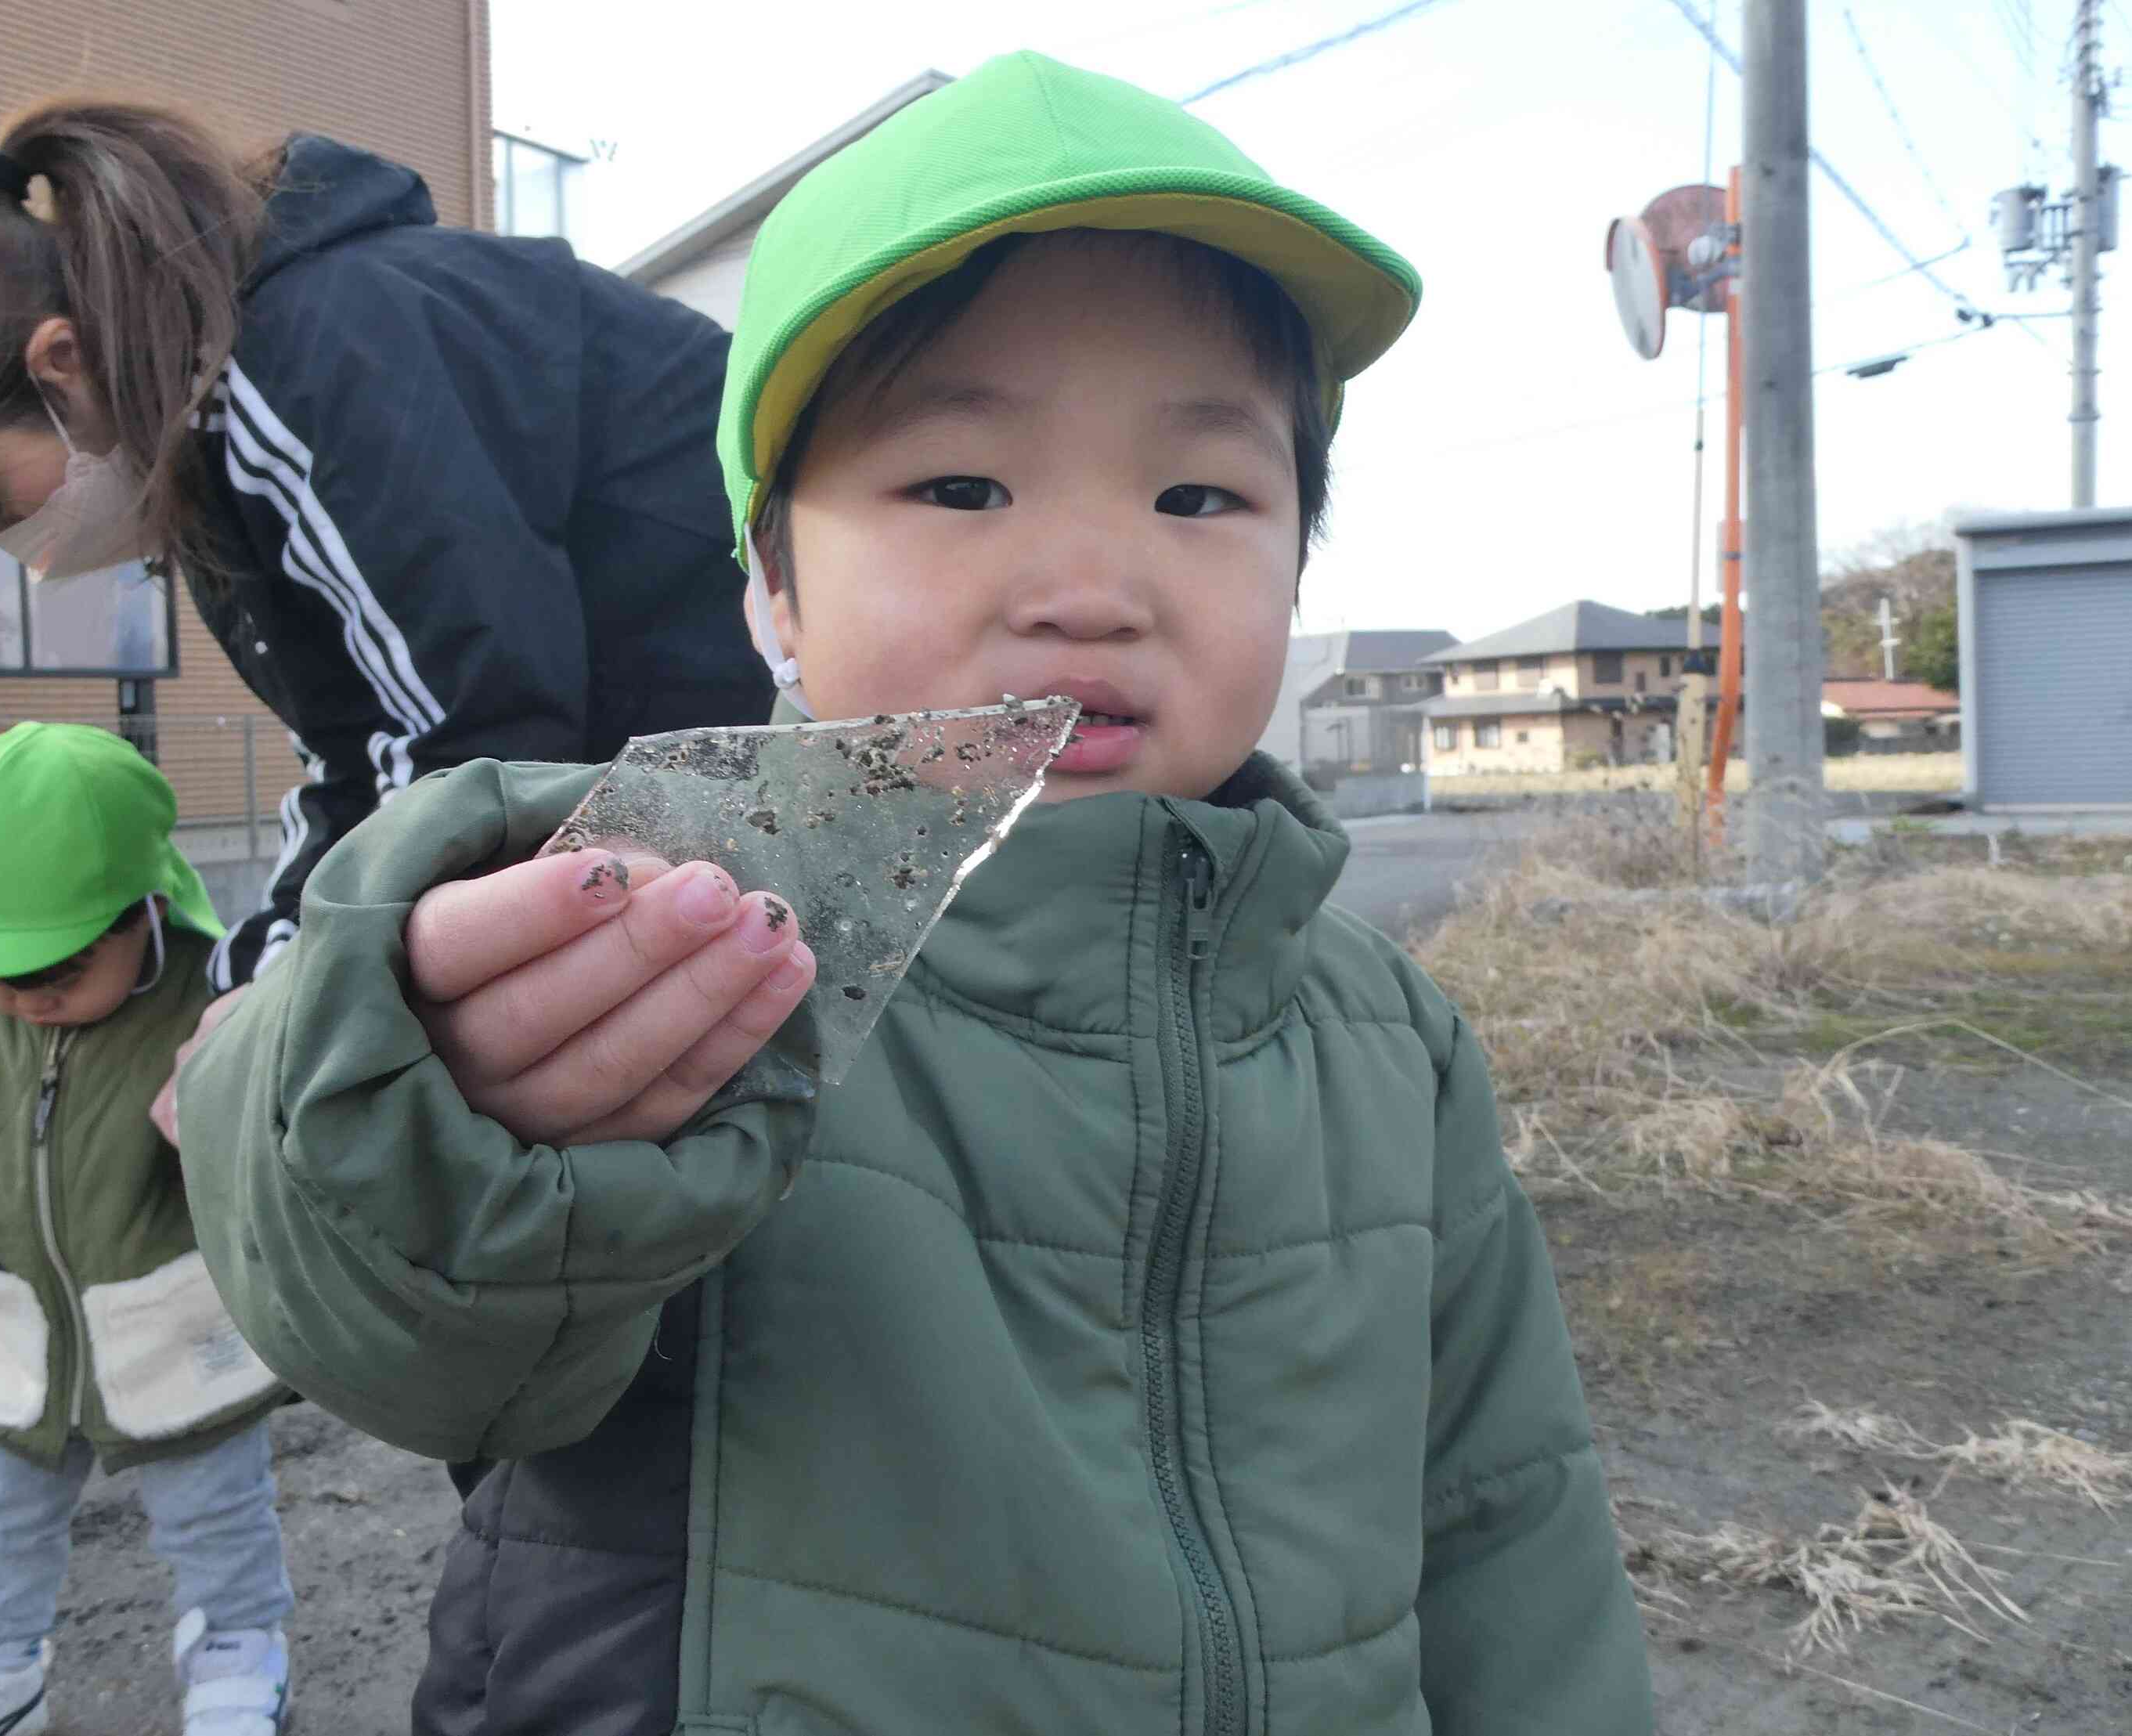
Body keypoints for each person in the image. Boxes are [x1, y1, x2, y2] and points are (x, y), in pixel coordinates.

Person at [178, 53, 1655, 1733]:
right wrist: (428, 1093)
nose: (1093, 587)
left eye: (1200, 495)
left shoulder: (1388, 1030)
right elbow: (404, 1333)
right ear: (769, 595)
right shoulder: (676, 936)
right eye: (959, 486)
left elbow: (1502, 1514)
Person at [0, 98, 770, 1009]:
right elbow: (357, 751)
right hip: (688, 792)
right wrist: (262, 980)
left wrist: (283, 1012)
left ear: (60, 363)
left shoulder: (308, 358)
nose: (19, 550)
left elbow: (472, 747)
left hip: (793, 745)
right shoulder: (208, 443)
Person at [0, 723, 294, 1736]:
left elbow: (274, 1159)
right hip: (22, 1339)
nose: (21, 999)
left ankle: (237, 1651)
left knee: (218, 1518)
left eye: (52, 971)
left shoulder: (210, 997)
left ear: (144, 910)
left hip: (181, 1334)